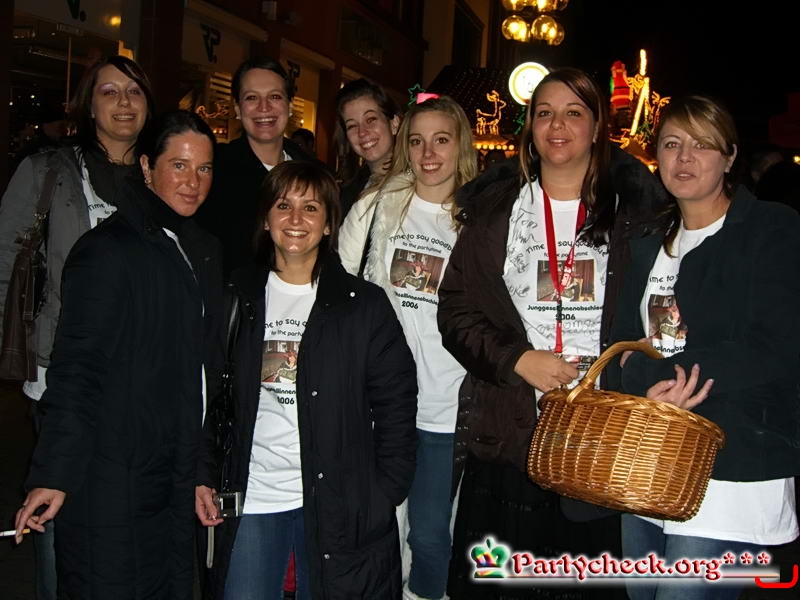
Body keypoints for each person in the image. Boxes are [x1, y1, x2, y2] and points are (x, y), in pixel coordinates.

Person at [435, 67, 668, 599]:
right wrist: (517, 359)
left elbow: (656, 315)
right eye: (544, 113)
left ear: (597, 126)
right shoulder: (494, 213)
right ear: (530, 128)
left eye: (573, 113)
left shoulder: (637, 217)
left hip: (602, 439)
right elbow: (456, 311)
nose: (557, 126)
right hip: (512, 433)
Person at [13, 109, 224, 600]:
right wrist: (54, 473)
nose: (193, 182)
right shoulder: (107, 250)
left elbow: (203, 376)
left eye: (204, 168)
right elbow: (77, 369)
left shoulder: (200, 249)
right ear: (147, 167)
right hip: (112, 476)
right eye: (179, 165)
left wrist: (200, 470)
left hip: (171, 473)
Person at [195, 160, 418, 599]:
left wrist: (385, 492)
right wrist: (204, 473)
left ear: (329, 224)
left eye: (311, 208)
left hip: (340, 503)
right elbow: (213, 396)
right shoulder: (238, 296)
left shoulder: (363, 305)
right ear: (265, 218)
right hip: (255, 495)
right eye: (283, 205)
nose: (296, 219)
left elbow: (397, 402)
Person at [609, 94, 800, 600]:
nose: (685, 157)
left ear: (730, 157)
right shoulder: (648, 242)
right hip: (649, 460)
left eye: (702, 145)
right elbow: (620, 344)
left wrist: (649, 375)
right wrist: (637, 382)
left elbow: (775, 346)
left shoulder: (770, 229)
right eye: (672, 144)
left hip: (730, 465)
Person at [0, 54, 155, 600]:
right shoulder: (47, 169)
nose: (123, 102)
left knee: (119, 507)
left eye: (134, 91)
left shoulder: (160, 174)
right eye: (109, 91)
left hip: (138, 371)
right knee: (57, 496)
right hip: (61, 367)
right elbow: (6, 261)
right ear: (88, 104)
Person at [338, 95, 478, 600]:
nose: (429, 153)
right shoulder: (377, 207)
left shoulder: (480, 219)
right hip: (382, 402)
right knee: (378, 526)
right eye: (417, 141)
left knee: (431, 534)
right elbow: (337, 290)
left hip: (445, 404)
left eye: (441, 140)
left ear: (460, 146)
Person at [195, 57, 315, 278]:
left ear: (289, 106)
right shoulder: (214, 170)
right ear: (238, 108)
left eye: (275, 97)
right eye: (252, 98)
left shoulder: (313, 174)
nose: (264, 107)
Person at [335, 78, 402, 219]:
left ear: (394, 123)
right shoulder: (346, 198)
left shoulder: (421, 183)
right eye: (352, 126)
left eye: (370, 119)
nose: (362, 132)